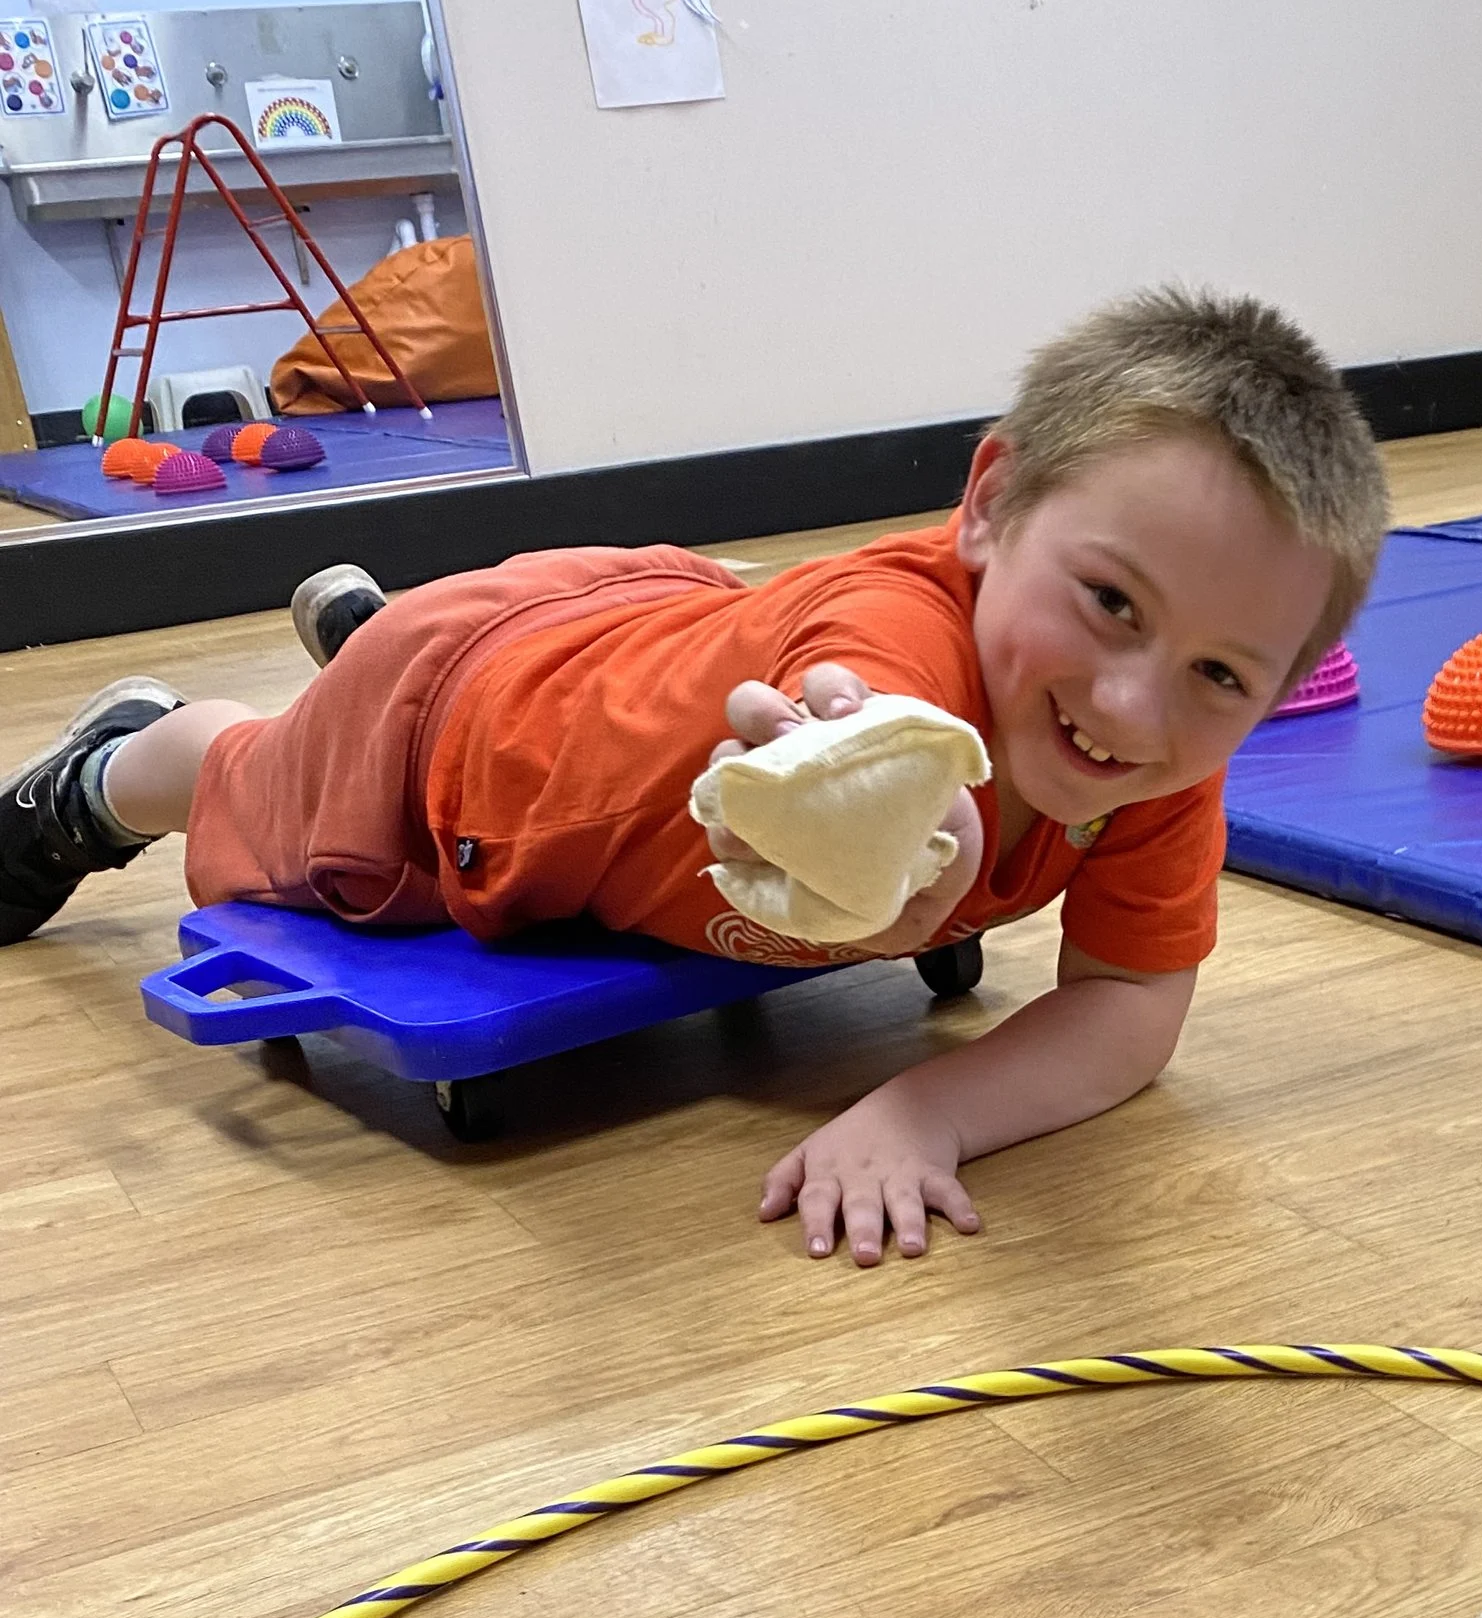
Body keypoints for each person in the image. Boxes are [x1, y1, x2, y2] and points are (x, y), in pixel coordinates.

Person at [0, 287, 1389, 1263]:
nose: (1134, 703)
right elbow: (867, 715)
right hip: (460, 748)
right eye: (1110, 602)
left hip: (646, 623)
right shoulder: (883, 651)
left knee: (676, 642)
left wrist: (930, 1109)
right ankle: (114, 765)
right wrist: (887, 804)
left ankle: (372, 635)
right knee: (257, 781)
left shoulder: (1153, 764)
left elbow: (1135, 1006)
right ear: (985, 507)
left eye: (1223, 676)